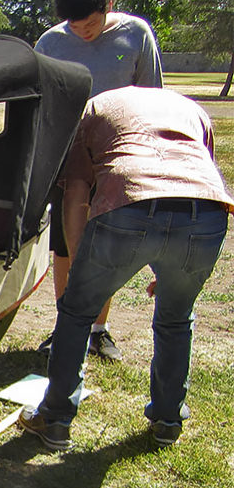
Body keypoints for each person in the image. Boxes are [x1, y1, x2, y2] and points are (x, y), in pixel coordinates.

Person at [19, 86, 232, 450]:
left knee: (76, 312)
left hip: (128, 199)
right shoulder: (191, 109)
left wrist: (79, 267)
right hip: (207, 212)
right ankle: (168, 421)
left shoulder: (92, 110)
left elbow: (75, 195)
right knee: (177, 318)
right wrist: (166, 264)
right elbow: (188, 181)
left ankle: (55, 421)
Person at [35, 0, 163, 361]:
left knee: (105, 244)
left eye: (91, 23)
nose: (84, 32)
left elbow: (152, 97)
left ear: (106, 8)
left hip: (115, 158)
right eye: (76, 26)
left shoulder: (136, 34)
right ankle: (66, 324)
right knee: (64, 245)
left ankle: (97, 330)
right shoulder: (51, 42)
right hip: (66, 159)